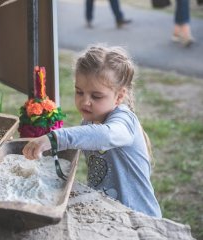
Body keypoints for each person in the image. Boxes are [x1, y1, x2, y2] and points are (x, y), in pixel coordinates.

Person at [22, 45, 162, 218]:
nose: (85, 101)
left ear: (119, 96)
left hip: (138, 216)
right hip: (109, 213)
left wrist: (55, 137)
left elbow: (105, 135)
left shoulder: (125, 120)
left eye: (96, 96)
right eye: (79, 92)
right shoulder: (89, 119)